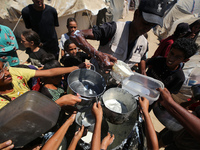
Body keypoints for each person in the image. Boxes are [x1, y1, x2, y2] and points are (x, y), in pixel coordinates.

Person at [70, 0, 170, 74]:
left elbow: (142, 71)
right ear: (136, 14)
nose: (147, 28)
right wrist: (98, 55)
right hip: (95, 79)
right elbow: (76, 34)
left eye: (152, 25)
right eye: (145, 23)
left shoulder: (143, 44)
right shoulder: (113, 29)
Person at [0, 60, 90, 109]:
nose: (7, 73)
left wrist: (76, 68)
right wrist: (59, 103)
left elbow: (50, 72)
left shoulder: (14, 72)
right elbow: (26, 120)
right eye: (0, 72)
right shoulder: (2, 103)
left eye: (4, 67)